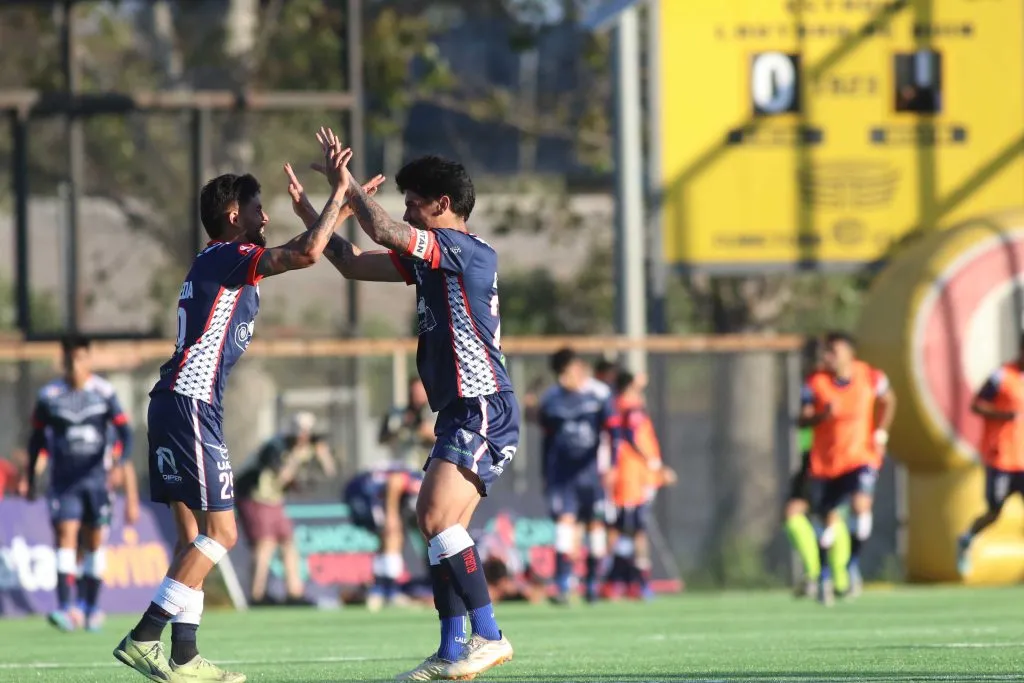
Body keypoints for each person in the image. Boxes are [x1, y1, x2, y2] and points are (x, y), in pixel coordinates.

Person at [112, 128, 374, 683]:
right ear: (233, 214)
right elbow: (307, 252)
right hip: (189, 405)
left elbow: (312, 245)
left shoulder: (222, 260)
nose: (265, 218)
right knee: (223, 534)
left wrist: (342, 208)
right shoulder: (230, 255)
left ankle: (183, 658)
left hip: (175, 403)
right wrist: (336, 197)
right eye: (258, 209)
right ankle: (144, 638)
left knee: (194, 540)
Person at [285, 138, 517, 680]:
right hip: (462, 410)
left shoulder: (464, 250)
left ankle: (490, 636)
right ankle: (452, 650)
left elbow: (383, 230)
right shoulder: (433, 261)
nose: (407, 211)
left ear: (442, 204)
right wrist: (313, 212)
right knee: (436, 527)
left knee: (434, 518)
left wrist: (346, 188)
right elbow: (353, 264)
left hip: (481, 404)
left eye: (414, 201)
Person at [25, 335, 138, 632]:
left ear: (88, 358)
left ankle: (91, 607)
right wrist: (30, 475)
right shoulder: (49, 395)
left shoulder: (104, 392)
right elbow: (37, 439)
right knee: (65, 536)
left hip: (96, 481)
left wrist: (118, 459)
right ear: (63, 360)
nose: (74, 364)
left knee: (94, 541)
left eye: (80, 358)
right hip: (64, 482)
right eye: (69, 358)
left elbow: (126, 434)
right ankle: (65, 609)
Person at [801, 331, 896, 606]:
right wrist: (822, 416)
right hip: (826, 464)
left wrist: (881, 433)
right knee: (825, 523)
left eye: (834, 351)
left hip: (861, 457)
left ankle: (852, 564)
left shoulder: (870, 376)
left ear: (849, 353)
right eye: (827, 352)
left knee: (860, 505)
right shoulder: (815, 383)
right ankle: (825, 575)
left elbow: (889, 399)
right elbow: (802, 420)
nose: (829, 357)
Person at [535, 348, 616, 604]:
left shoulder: (599, 395)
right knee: (564, 524)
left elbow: (614, 434)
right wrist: (545, 473)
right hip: (562, 474)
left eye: (576, 368)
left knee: (594, 525)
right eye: (566, 371)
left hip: (591, 473)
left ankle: (592, 583)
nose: (573, 374)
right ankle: (562, 585)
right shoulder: (551, 400)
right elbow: (546, 440)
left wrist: (612, 466)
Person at [235, 411, 335, 606]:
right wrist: (297, 460)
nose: (303, 436)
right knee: (264, 544)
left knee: (288, 542)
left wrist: (322, 453)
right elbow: (282, 475)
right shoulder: (275, 446)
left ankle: (294, 593)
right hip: (254, 496)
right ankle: (257, 595)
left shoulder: (309, 446)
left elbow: (329, 471)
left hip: (274, 500)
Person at [604, 370, 675, 600]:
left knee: (626, 528)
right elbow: (633, 437)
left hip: (634, 476)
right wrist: (655, 465)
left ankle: (621, 579)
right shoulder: (629, 407)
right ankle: (630, 581)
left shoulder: (620, 404)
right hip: (633, 477)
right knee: (633, 530)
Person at [957, 337, 1024, 575]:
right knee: (994, 511)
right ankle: (966, 538)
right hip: (1001, 458)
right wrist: (1002, 415)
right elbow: (976, 404)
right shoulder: (1001, 376)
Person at [343, 464, 424, 611]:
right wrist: (391, 516)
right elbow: (395, 481)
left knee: (390, 538)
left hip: (367, 491)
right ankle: (388, 591)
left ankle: (380, 589)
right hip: (364, 492)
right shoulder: (421, 483)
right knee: (393, 534)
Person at [784, 337, 825, 599]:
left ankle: (818, 575)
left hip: (821, 459)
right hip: (813, 457)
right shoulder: (813, 384)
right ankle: (838, 575)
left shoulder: (821, 384)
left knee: (795, 513)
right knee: (827, 516)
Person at [379, 377, 436, 468]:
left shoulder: (435, 416)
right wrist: (400, 426)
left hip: (427, 468)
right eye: (414, 393)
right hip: (403, 467)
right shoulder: (399, 416)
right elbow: (382, 438)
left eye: (421, 393)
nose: (417, 398)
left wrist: (429, 432)